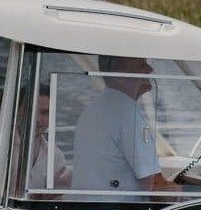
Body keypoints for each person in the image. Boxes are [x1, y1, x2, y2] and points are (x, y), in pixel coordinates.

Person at [70, 55, 174, 196]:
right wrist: (183, 192)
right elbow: (154, 186)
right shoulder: (126, 113)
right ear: (119, 74)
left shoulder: (94, 108)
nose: (150, 69)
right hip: (116, 209)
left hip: (90, 206)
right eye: (141, 64)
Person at [24, 84, 71, 190]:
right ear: (17, 110)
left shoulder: (56, 157)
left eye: (45, 113)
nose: (37, 119)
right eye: (31, 111)